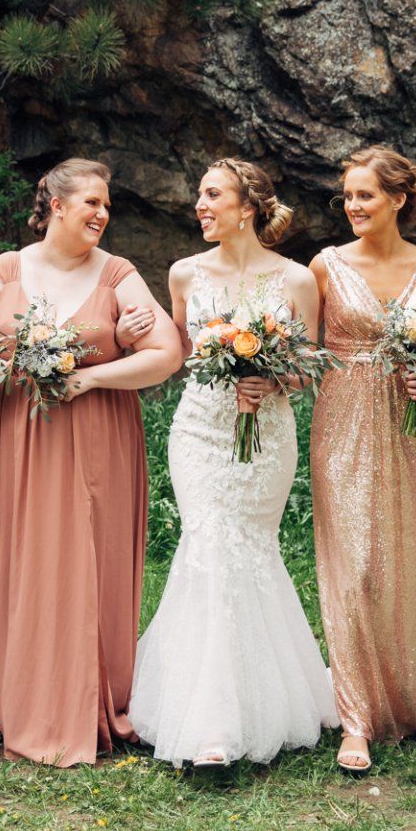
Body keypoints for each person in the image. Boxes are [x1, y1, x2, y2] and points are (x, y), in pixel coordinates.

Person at [0, 158, 185, 766]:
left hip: (99, 435)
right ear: (57, 205)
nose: (102, 214)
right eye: (92, 202)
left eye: (107, 206)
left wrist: (91, 377)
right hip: (22, 437)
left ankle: (95, 698)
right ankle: (25, 696)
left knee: (94, 558)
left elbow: (167, 353)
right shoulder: (4, 271)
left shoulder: (118, 275)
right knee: (28, 557)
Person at [130, 159, 338, 766]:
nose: (199, 204)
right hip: (199, 429)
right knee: (208, 541)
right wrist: (129, 328)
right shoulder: (184, 274)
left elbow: (308, 367)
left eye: (212, 194)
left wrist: (272, 379)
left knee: (250, 547)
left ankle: (258, 701)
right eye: (199, 193)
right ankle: (210, 723)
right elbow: (178, 352)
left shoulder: (296, 279)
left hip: (266, 432)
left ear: (248, 207)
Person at [308, 145, 416, 772]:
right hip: (341, 423)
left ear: (398, 199)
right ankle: (355, 720)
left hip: (406, 426)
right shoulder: (324, 266)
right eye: (347, 196)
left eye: (365, 195)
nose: (352, 205)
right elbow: (305, 349)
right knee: (354, 567)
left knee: (396, 563)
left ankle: (397, 699)